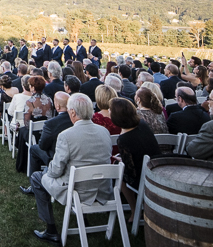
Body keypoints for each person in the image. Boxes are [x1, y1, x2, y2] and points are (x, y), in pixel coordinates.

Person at [28, 93, 113, 243]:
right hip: (102, 188)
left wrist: (48, 170)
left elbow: (55, 170)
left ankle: (51, 230)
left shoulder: (66, 136)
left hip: (76, 190)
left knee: (37, 177)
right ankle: (83, 219)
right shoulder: (104, 131)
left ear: (72, 112)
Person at [111, 97, 161, 223]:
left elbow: (130, 171)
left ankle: (134, 211)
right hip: (155, 168)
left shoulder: (124, 139)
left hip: (142, 177)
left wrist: (119, 163)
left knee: (120, 174)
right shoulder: (142, 124)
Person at [21, 92, 73, 190]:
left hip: (56, 158)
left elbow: (43, 146)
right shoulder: (74, 119)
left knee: (34, 148)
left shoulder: (51, 123)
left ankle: (34, 186)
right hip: (72, 156)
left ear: (57, 106)